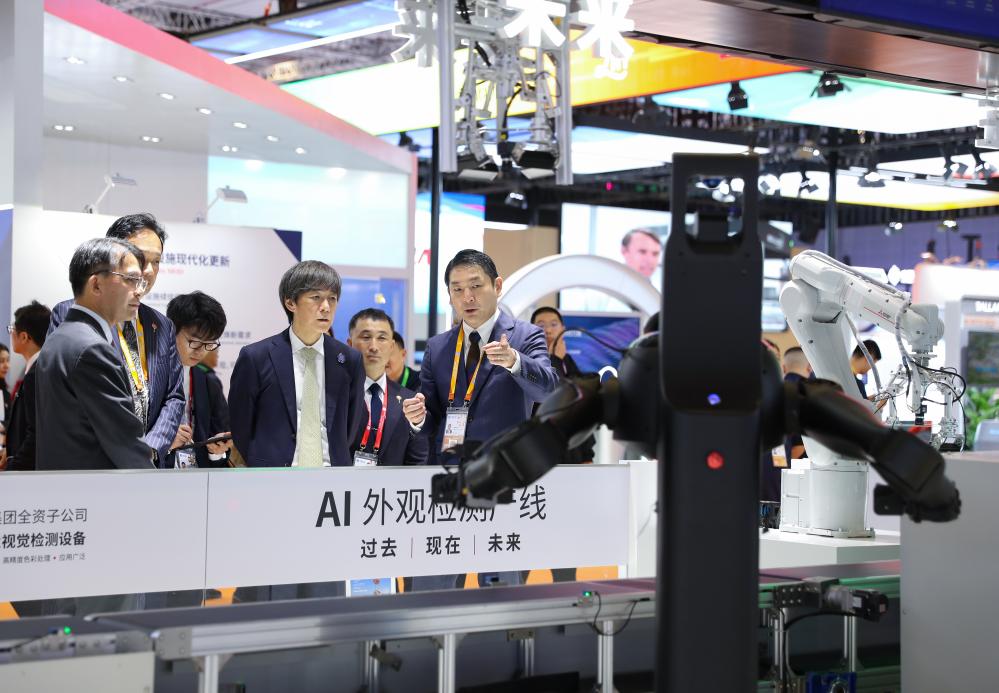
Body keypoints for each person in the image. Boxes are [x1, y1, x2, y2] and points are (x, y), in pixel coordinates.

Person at [403, 249, 558, 589]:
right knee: (435, 588)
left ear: (497, 286)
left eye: (476, 286)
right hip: (447, 480)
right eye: (457, 289)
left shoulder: (524, 337)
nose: (467, 297)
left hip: (501, 479)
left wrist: (515, 361)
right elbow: (432, 417)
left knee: (501, 590)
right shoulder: (438, 347)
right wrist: (417, 417)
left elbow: (547, 390)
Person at [49, 213, 184, 467]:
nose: (148, 271)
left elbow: (173, 397)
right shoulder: (70, 315)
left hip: (146, 466)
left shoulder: (162, 325)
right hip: (92, 467)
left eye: (156, 261)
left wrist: (151, 449)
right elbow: (69, 401)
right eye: (140, 259)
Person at [229, 260, 365, 468]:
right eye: (316, 297)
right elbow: (241, 426)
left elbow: (350, 427)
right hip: (274, 476)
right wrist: (266, 462)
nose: (326, 307)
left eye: (332, 298)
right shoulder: (256, 357)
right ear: (291, 303)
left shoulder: (349, 360)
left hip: (332, 476)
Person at [346, 309, 427, 466]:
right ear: (350, 344)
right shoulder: (334, 396)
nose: (374, 346)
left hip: (394, 483)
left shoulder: (409, 400)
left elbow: (417, 461)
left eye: (382, 338)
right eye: (366, 337)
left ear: (391, 346)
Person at [165, 292, 232, 469]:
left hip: (198, 478)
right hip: (153, 476)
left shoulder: (208, 381)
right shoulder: (147, 376)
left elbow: (221, 436)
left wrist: (216, 450)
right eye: (194, 342)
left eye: (209, 344)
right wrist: (162, 442)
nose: (201, 351)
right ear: (171, 330)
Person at [530, 306, 595, 464]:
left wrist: (586, 455)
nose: (548, 331)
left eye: (553, 324)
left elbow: (580, 408)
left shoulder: (568, 362)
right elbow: (551, 399)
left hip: (573, 453)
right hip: (542, 454)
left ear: (563, 329)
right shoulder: (527, 363)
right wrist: (555, 360)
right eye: (541, 325)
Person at [1, 301, 50, 471]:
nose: (11, 334)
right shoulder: (43, 367)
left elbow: (35, 433)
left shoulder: (35, 374)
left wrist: (13, 467)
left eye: (12, 330)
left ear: (24, 337)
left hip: (28, 473)